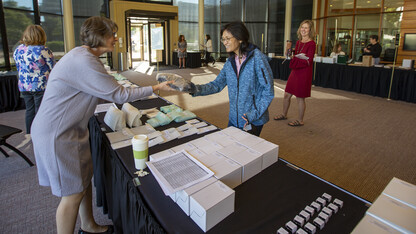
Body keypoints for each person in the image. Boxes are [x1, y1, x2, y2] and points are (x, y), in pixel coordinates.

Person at [31, 16, 173, 234]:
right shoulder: (84, 60)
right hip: (57, 134)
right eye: (112, 34)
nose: (116, 39)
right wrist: (155, 87)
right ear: (98, 35)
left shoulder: (85, 56)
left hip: (68, 130)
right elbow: (119, 93)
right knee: (71, 195)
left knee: (82, 183)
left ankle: (88, 225)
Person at [190, 22, 274, 136]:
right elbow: (217, 85)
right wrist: (192, 89)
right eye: (223, 39)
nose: (225, 42)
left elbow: (268, 91)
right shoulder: (230, 62)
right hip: (234, 118)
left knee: (244, 152)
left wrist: (253, 114)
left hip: (252, 119)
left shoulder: (257, 58)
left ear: (240, 39)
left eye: (228, 38)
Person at [13, 25, 55, 134]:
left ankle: (30, 133)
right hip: (40, 85)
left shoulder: (18, 49)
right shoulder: (44, 50)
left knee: (29, 110)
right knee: (40, 111)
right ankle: (40, 133)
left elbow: (18, 66)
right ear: (41, 36)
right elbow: (53, 68)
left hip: (24, 85)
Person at [274, 19, 316, 127]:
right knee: (287, 94)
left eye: (306, 28)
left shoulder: (312, 44)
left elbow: (309, 61)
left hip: (304, 72)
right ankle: (284, 114)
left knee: (300, 97)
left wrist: (295, 57)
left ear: (310, 30)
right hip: (295, 71)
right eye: (302, 27)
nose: (303, 30)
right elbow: (293, 55)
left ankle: (300, 120)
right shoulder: (298, 42)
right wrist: (289, 53)